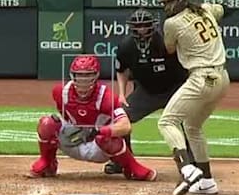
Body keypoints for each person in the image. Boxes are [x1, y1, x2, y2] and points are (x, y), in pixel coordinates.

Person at [27, 55, 158, 181]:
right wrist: (76, 129)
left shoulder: (106, 97)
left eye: (87, 75)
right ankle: (47, 162)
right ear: (73, 75)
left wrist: (100, 131)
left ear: (96, 76)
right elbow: (65, 116)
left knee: (110, 139)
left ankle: (132, 168)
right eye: (80, 75)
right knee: (47, 123)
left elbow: (126, 126)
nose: (83, 80)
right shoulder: (60, 92)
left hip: (97, 145)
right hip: (73, 138)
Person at [157, 0, 230, 195]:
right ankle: (207, 181)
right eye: (164, 3)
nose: (166, 7)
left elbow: (169, 49)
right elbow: (225, 9)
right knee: (192, 126)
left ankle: (188, 169)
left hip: (201, 77)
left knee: (166, 121)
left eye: (169, 2)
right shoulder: (205, 9)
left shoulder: (172, 23)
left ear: (180, 0)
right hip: (222, 78)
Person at [104, 10, 190, 177]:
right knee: (120, 117)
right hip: (146, 91)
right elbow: (122, 70)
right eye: (138, 26)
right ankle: (121, 160)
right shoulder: (126, 46)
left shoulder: (166, 42)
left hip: (174, 88)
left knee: (187, 123)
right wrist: (122, 94)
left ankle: (192, 162)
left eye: (145, 25)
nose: (142, 29)